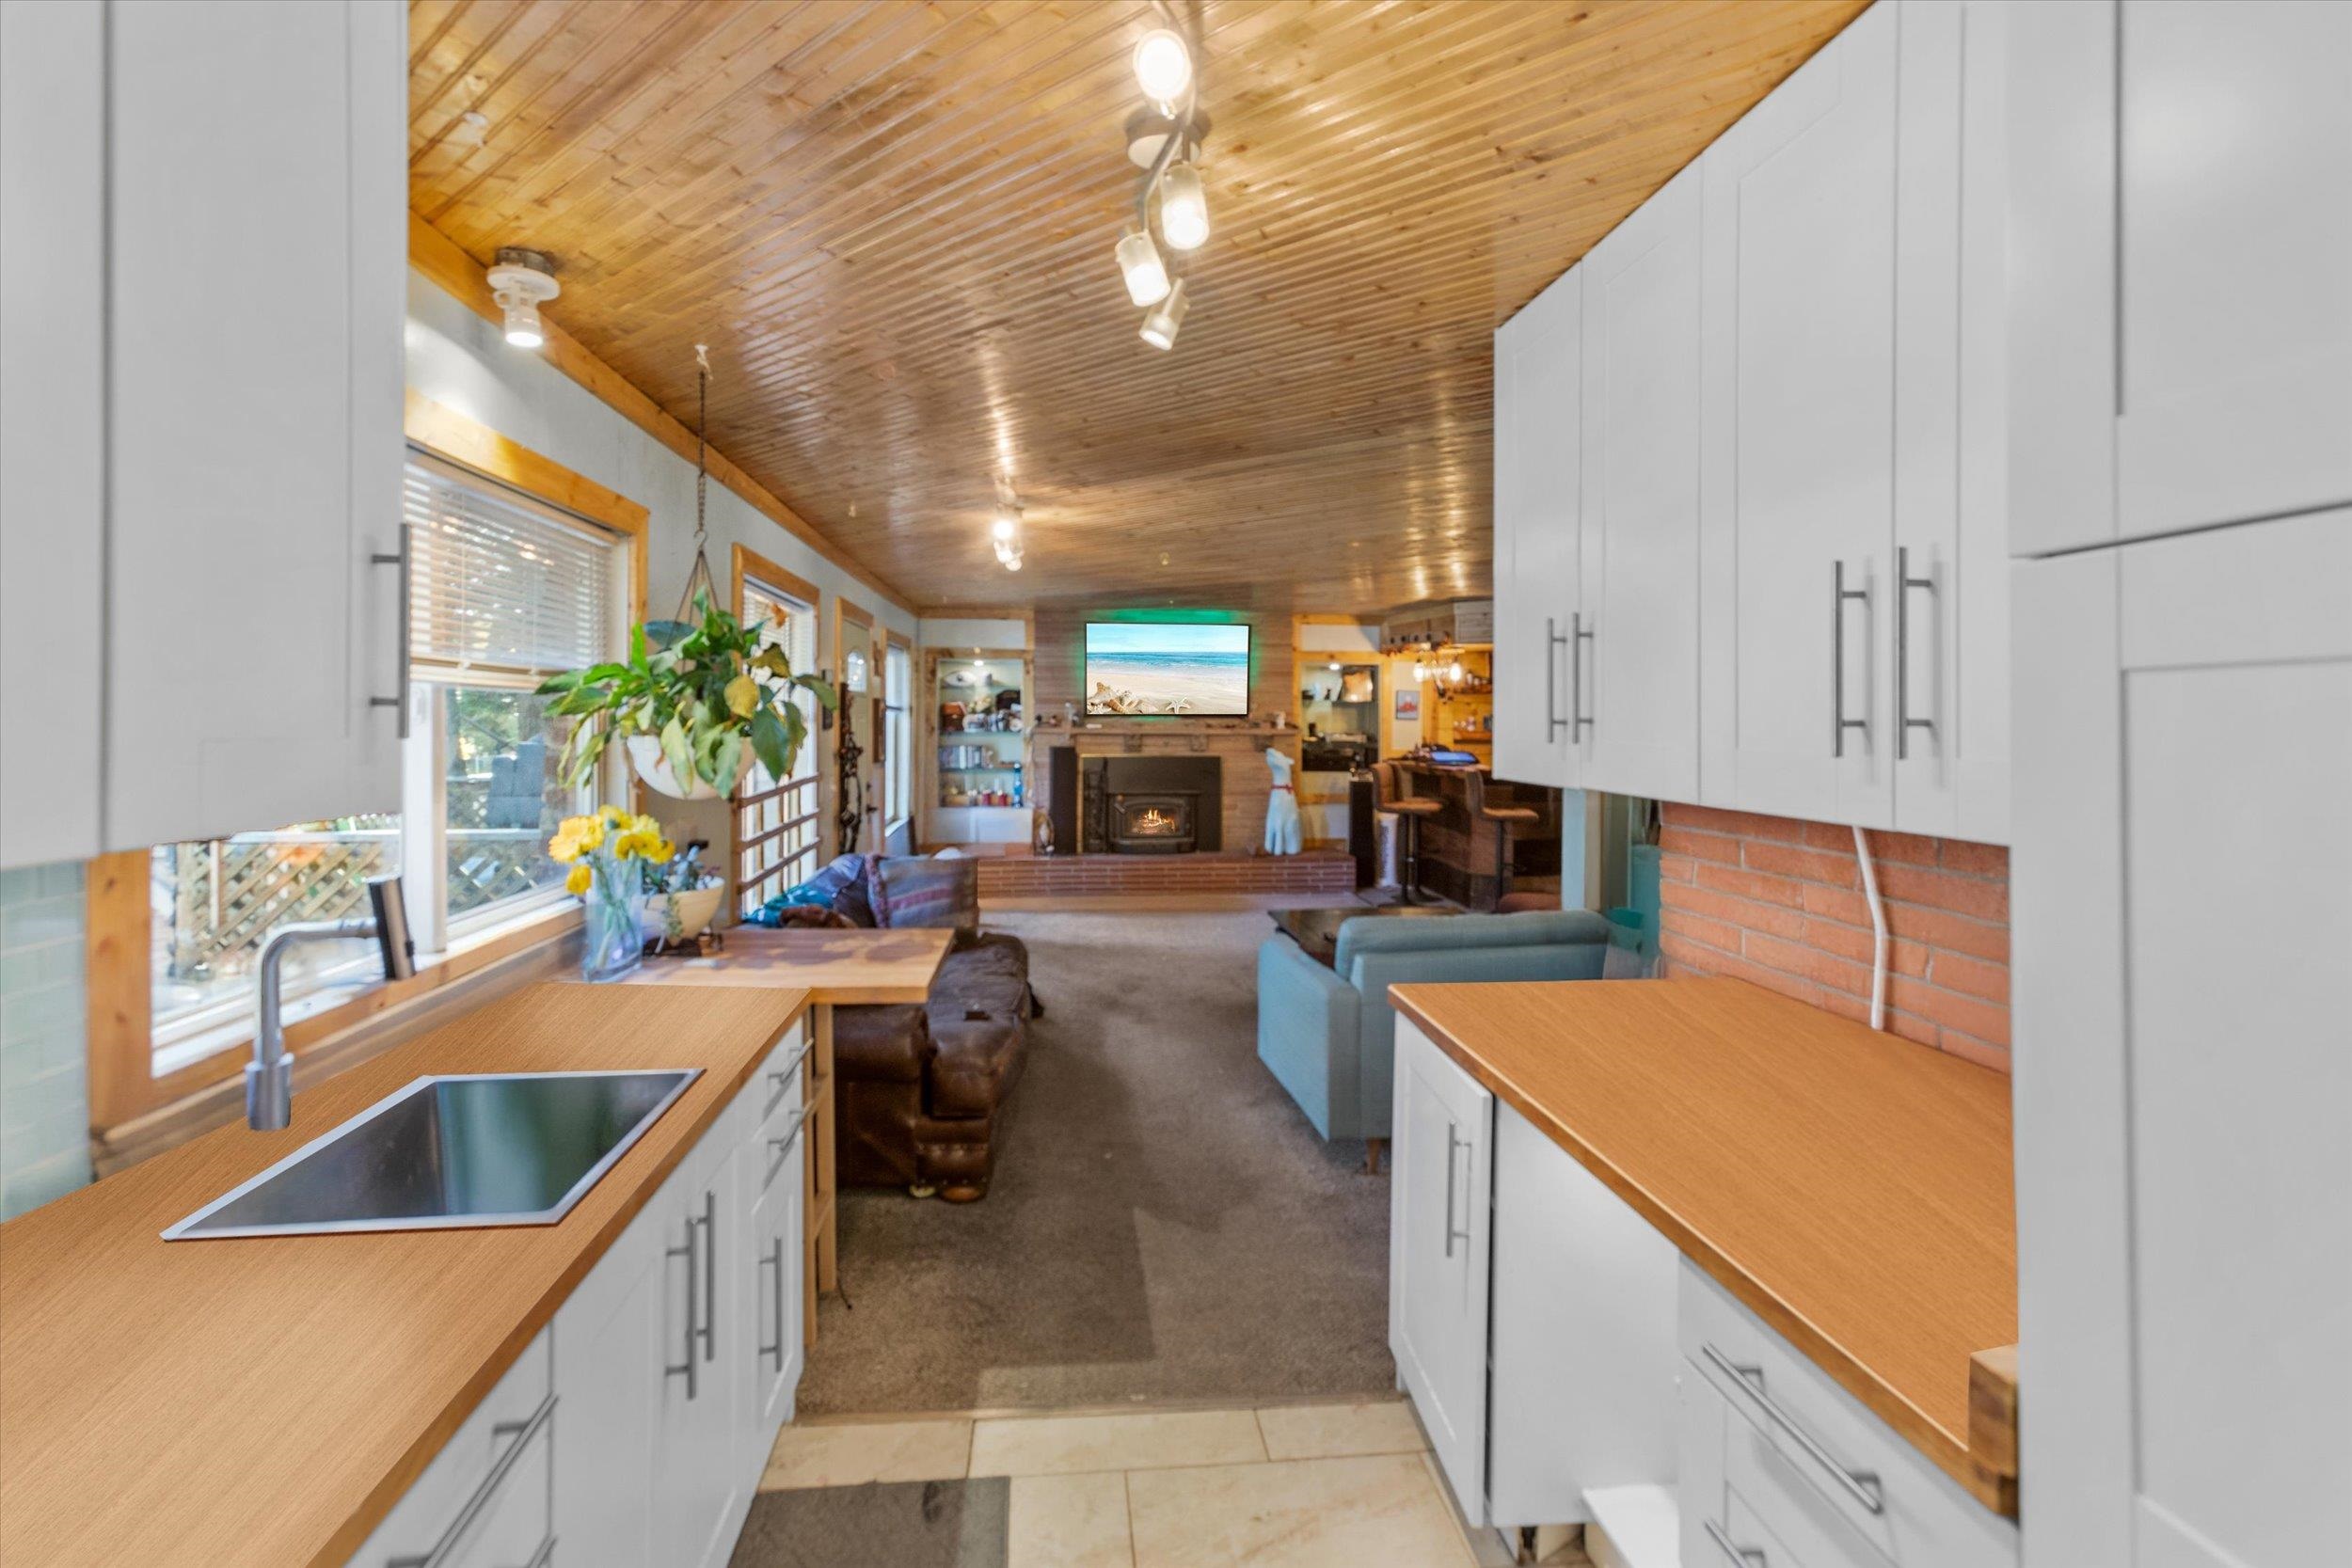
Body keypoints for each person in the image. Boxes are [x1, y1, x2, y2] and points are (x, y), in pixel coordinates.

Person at [1263, 745, 1302, 855]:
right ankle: (1270, 846)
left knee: (1287, 821)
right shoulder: (1274, 763)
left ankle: (1285, 847)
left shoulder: (1284, 766)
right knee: (1273, 820)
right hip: (1278, 793)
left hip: (1285, 796)